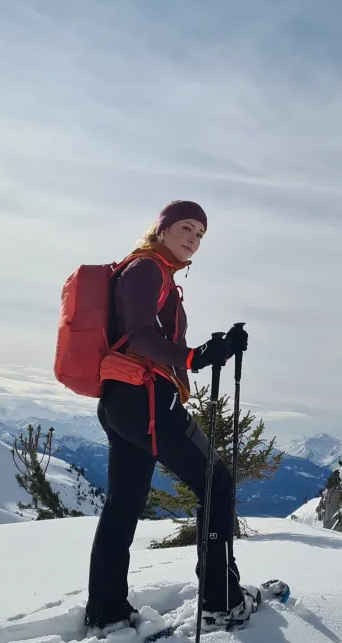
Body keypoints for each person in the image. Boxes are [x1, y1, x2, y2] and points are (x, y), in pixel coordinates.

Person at [84, 200, 253, 633]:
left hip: (123, 401)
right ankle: (220, 599)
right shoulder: (146, 269)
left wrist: (212, 350)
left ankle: (107, 610)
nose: (193, 239)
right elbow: (141, 336)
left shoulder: (148, 272)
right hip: (147, 401)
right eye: (186, 228)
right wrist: (195, 357)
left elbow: (149, 337)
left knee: (123, 505)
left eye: (200, 234)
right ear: (161, 229)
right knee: (218, 483)